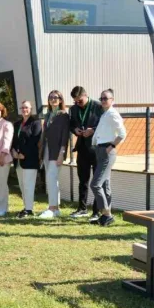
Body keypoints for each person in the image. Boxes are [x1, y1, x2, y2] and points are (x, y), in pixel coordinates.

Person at [90, 89, 127, 227]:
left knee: (95, 184)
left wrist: (111, 146)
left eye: (106, 98)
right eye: (102, 98)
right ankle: (106, 216)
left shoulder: (112, 114)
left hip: (106, 151)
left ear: (112, 100)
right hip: (100, 150)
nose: (103, 101)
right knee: (105, 185)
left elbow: (122, 133)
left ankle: (106, 214)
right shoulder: (105, 114)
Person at [69, 86, 103, 220]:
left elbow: (104, 124)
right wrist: (75, 130)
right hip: (82, 148)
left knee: (96, 181)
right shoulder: (73, 109)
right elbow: (71, 124)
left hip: (97, 148)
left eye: (80, 101)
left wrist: (93, 130)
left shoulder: (98, 106)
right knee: (83, 180)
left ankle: (97, 211)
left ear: (86, 95)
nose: (78, 103)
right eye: (75, 101)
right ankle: (82, 208)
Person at [38, 90, 70, 219]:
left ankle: (52, 208)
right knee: (50, 179)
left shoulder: (64, 115)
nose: (53, 99)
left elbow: (65, 136)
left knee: (52, 177)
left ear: (60, 100)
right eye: (50, 97)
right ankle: (55, 208)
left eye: (56, 97)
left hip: (57, 151)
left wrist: (62, 153)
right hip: (47, 150)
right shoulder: (48, 115)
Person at [11, 101, 42, 219]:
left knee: (28, 185)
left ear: (31, 109)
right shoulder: (17, 124)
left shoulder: (36, 123)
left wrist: (24, 154)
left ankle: (29, 209)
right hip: (18, 159)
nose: (24, 109)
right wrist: (14, 151)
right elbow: (14, 140)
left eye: (27, 107)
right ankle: (26, 207)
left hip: (30, 159)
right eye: (23, 107)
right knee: (22, 185)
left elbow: (34, 141)